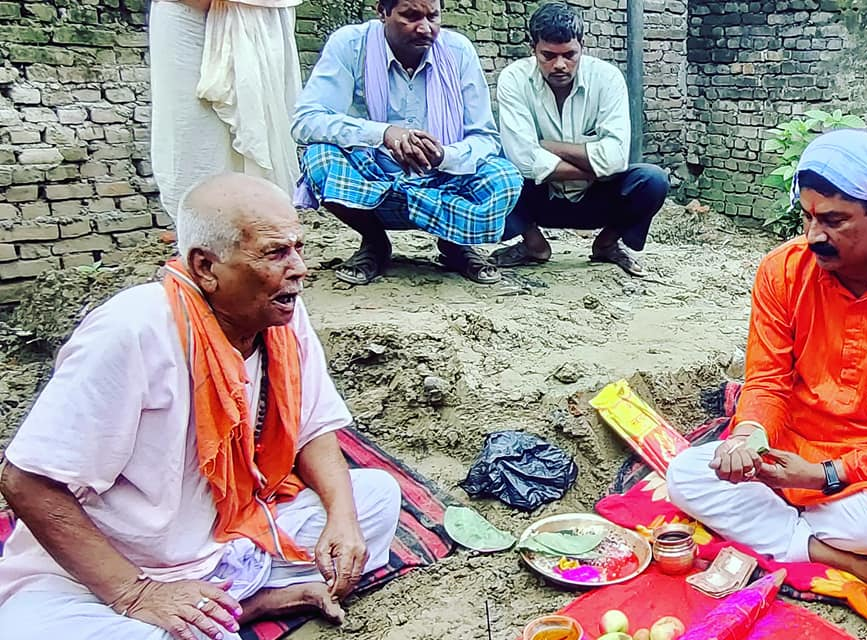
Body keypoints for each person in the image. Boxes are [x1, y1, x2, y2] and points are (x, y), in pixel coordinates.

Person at [0, 174, 402, 640]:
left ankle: (234, 604)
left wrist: (343, 520)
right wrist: (136, 594)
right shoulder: (133, 330)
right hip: (117, 564)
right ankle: (229, 607)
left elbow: (314, 428)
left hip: (230, 536)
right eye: (276, 253)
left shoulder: (281, 312)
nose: (300, 269)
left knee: (375, 498)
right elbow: (25, 480)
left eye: (298, 248)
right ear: (206, 267)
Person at [665, 130, 867, 611]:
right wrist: (748, 437)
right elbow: (767, 382)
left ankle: (797, 535)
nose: (815, 235)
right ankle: (846, 559)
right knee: (685, 475)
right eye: (808, 217)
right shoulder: (781, 271)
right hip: (793, 450)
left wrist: (827, 475)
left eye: (834, 220)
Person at [292, 0, 522, 286]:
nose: (424, 28)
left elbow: (485, 137)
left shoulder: (459, 51)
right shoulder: (351, 44)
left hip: (443, 179)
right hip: (373, 178)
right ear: (382, 11)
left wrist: (444, 156)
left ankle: (456, 244)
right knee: (319, 158)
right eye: (411, 16)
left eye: (433, 16)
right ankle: (375, 242)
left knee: (505, 178)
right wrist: (384, 134)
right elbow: (306, 120)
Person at [494, 2, 669, 278]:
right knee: (493, 172)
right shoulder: (513, 79)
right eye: (548, 55)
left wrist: (548, 146)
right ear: (533, 49)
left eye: (569, 55)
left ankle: (606, 244)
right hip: (538, 198)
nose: (559, 65)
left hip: (596, 199)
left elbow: (616, 157)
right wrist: (596, 168)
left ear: (582, 47)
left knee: (653, 180)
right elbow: (523, 160)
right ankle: (534, 245)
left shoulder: (607, 78)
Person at [150, 0, 304, 215]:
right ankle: (198, 224)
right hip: (186, 12)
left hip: (263, 11)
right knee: (192, 137)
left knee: (262, 130)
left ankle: (261, 221)